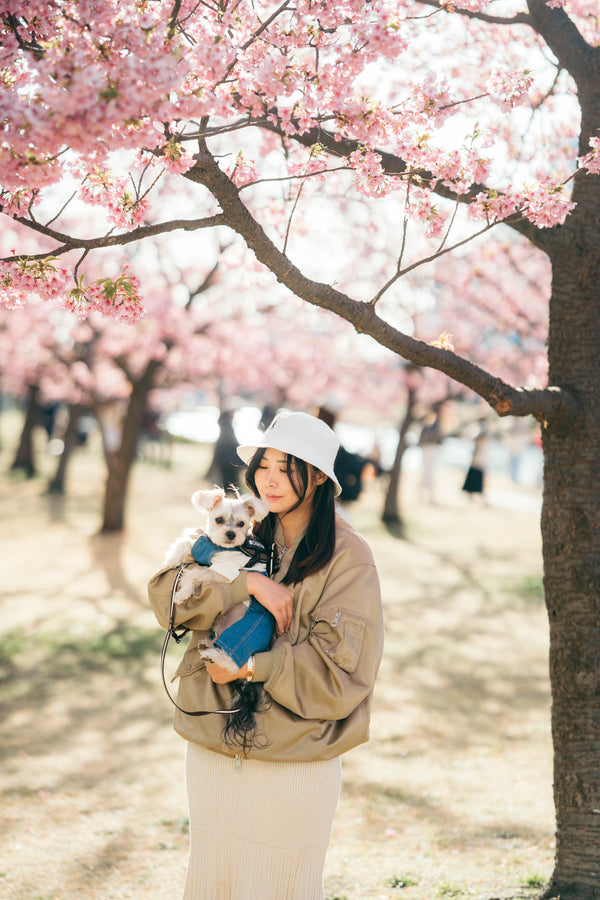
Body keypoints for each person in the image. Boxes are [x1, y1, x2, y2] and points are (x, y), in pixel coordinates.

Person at [148, 410, 384, 900]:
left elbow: (344, 667)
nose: (269, 479)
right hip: (214, 741)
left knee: (283, 886)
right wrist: (240, 584)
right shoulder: (234, 528)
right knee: (213, 880)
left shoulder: (348, 555)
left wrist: (255, 666)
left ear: (319, 477)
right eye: (263, 465)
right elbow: (165, 596)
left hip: (295, 756)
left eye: (287, 466)